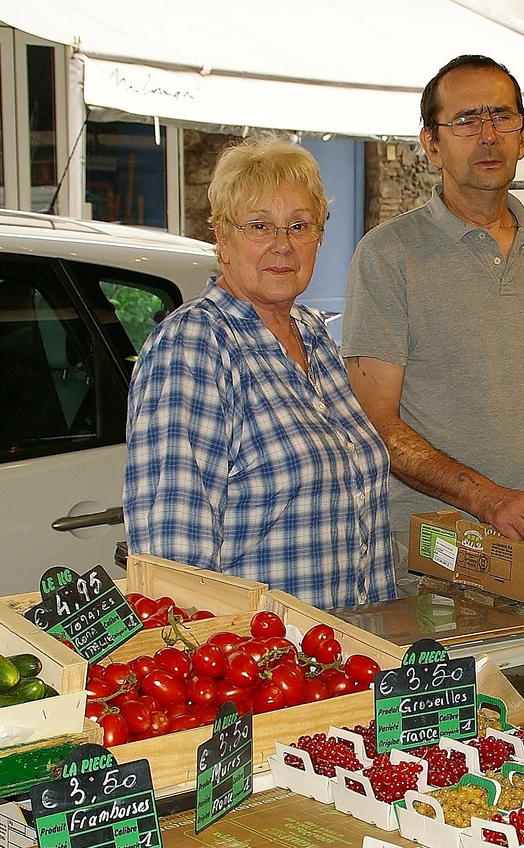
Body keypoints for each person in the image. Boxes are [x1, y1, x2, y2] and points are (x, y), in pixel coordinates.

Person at [342, 54, 524, 553]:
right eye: (466, 121)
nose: (488, 135)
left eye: (501, 117)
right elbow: (375, 426)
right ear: (432, 143)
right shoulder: (388, 255)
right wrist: (490, 500)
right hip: (436, 562)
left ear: (523, 132)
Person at [125, 139, 395, 609]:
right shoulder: (194, 345)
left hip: (345, 654)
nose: (282, 244)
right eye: (258, 226)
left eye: (299, 225)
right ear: (221, 238)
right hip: (265, 664)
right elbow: (173, 560)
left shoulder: (313, 334)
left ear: (319, 237)